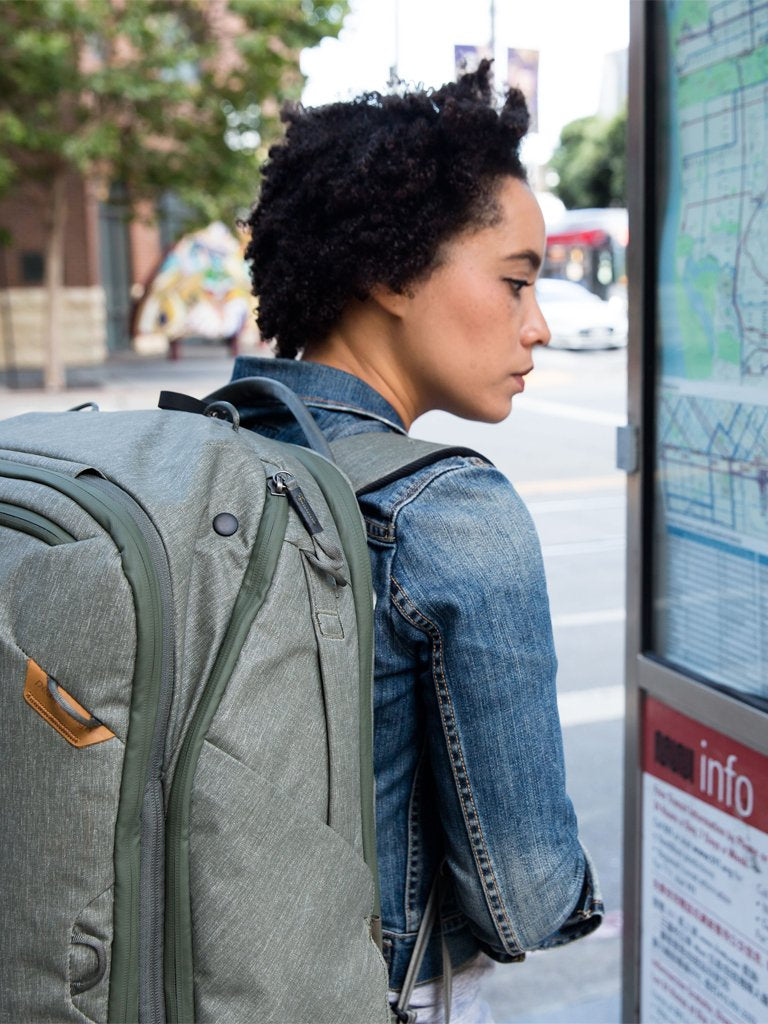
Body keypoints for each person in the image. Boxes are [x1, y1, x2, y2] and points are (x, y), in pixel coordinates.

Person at [230, 62, 603, 1023]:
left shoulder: (208, 446)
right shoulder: (445, 508)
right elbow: (526, 895)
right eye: (516, 282)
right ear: (393, 274)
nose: (539, 325)